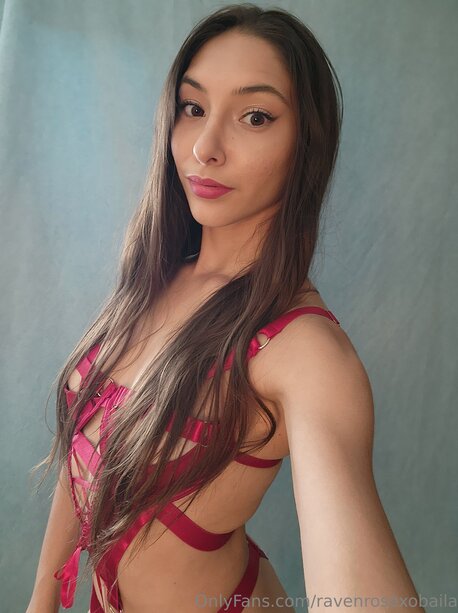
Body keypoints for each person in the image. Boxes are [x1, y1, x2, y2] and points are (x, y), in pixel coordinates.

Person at [27, 4, 424, 613]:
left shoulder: (304, 352)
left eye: (255, 117)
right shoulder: (154, 278)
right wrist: (41, 599)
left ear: (306, 144)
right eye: (193, 108)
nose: (204, 147)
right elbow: (88, 457)